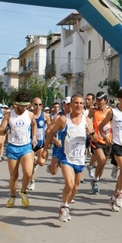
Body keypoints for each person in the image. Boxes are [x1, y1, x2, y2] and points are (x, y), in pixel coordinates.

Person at [42, 94, 98, 222]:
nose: (78, 105)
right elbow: (51, 133)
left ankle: (66, 203)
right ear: (71, 105)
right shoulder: (63, 119)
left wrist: (92, 133)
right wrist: (45, 149)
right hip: (66, 158)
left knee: (75, 187)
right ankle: (64, 206)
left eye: (81, 103)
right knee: (70, 183)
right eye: (76, 103)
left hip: (80, 159)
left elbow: (95, 139)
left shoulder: (86, 120)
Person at [0, 92, 37, 208]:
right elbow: (1, 128)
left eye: (26, 106)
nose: (23, 108)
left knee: (28, 172)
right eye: (21, 106)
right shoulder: (9, 115)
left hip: (26, 147)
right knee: (14, 176)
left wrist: (34, 137)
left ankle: (23, 191)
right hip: (12, 147)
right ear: (16, 104)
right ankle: (12, 196)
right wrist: (2, 134)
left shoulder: (30, 115)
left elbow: (34, 125)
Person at [87, 91, 112, 194]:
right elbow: (88, 119)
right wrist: (90, 129)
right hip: (97, 140)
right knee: (101, 160)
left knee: (103, 163)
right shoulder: (93, 111)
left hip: (108, 141)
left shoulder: (111, 111)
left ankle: (95, 180)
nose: (98, 102)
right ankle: (95, 180)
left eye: (100, 100)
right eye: (97, 100)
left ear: (105, 100)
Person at [27, 97, 51, 191]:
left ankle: (36, 162)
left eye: (40, 104)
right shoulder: (29, 115)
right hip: (30, 142)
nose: (38, 106)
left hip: (41, 142)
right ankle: (32, 181)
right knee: (30, 164)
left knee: (41, 163)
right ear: (32, 105)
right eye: (36, 104)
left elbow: (50, 127)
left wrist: (49, 138)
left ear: (42, 106)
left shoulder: (45, 115)